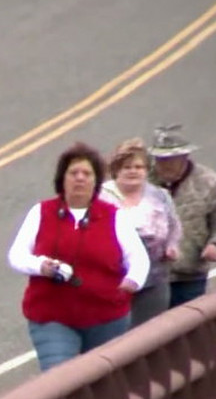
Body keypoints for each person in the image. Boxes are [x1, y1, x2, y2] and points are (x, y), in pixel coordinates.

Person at [8, 142, 150, 371]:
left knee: (102, 382)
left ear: (96, 182)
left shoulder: (114, 217)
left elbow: (139, 258)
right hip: (52, 317)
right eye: (73, 173)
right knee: (58, 379)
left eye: (87, 173)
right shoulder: (41, 212)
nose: (80, 178)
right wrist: (40, 265)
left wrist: (133, 280)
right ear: (62, 179)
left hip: (107, 317)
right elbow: (17, 255)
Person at [147, 124, 216, 307]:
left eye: (170, 159)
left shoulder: (210, 184)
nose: (164, 164)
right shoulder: (142, 182)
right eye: (159, 159)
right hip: (151, 279)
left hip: (189, 276)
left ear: (184, 157)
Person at [99, 137, 183, 326]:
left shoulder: (159, 196)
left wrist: (172, 246)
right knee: (118, 338)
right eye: (127, 167)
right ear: (116, 170)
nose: (133, 171)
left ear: (146, 170)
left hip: (154, 279)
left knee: (150, 333)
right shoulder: (101, 197)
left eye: (139, 167)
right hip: (115, 282)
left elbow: (174, 226)